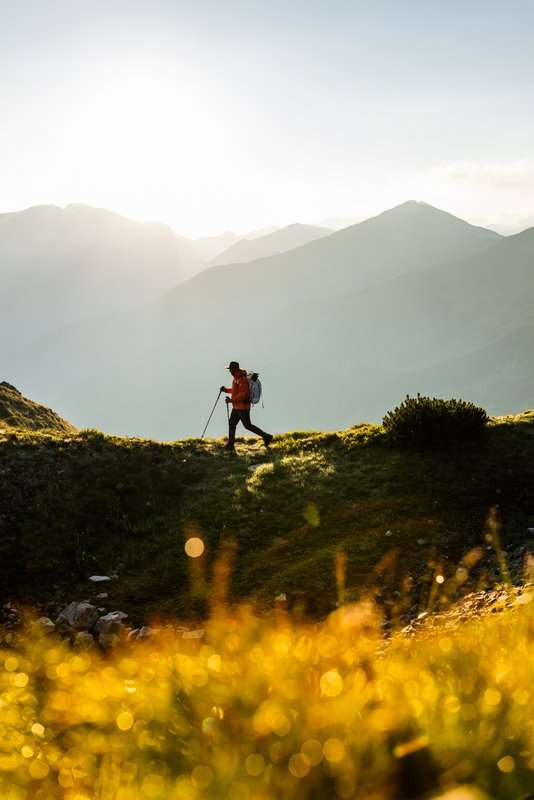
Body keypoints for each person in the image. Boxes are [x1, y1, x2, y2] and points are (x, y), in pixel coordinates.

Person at [220, 361, 273, 451]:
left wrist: (231, 400)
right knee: (232, 423)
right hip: (237, 407)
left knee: (247, 425)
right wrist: (226, 390)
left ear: (234, 369)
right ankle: (230, 445)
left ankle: (267, 436)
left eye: (230, 369)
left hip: (242, 407)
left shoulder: (242, 379)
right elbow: (235, 390)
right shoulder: (236, 378)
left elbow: (244, 394)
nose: (229, 371)